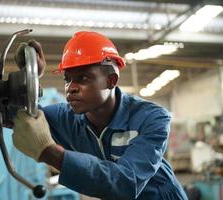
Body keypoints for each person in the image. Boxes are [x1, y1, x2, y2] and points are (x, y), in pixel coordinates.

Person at [12, 31, 188, 200]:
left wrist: (51, 154)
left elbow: (126, 182)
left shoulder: (151, 118)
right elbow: (20, 114)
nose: (71, 87)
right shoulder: (67, 118)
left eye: (83, 78)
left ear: (111, 81)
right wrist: (29, 78)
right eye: (67, 79)